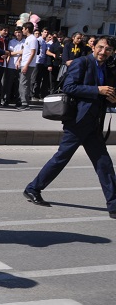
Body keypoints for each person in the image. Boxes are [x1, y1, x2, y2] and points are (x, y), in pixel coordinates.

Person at [24, 36, 116, 220]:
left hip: (94, 123)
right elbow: (69, 86)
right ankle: (33, 188)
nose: (103, 52)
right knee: (61, 158)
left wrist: (112, 98)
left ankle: (113, 205)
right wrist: (97, 90)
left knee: (104, 163)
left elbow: (108, 93)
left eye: (108, 50)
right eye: (101, 47)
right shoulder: (82, 63)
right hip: (78, 122)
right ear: (93, 47)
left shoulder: (107, 68)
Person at [19, 21, 39, 110]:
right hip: (24, 63)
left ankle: (25, 103)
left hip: (28, 64)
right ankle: (23, 101)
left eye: (23, 28)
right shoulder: (28, 39)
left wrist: (26, 65)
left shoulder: (33, 39)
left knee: (24, 83)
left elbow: (32, 53)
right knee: (23, 83)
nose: (22, 30)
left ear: (27, 29)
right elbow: (25, 52)